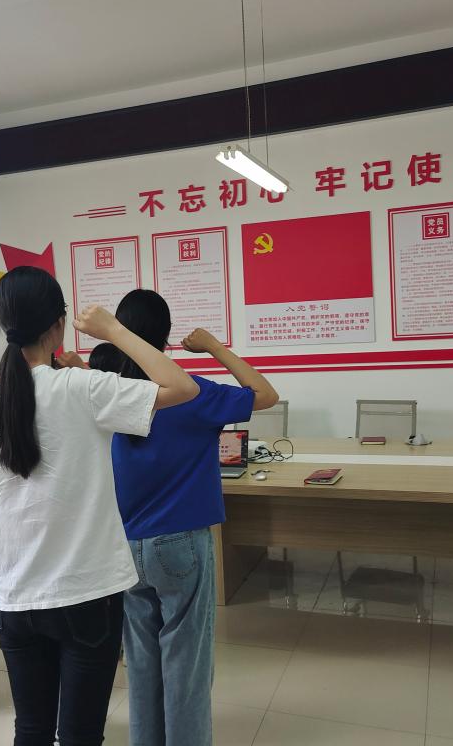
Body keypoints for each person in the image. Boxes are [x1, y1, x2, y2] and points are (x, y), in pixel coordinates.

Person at [0, 266, 199, 746]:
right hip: (86, 593)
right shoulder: (80, 387)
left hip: (14, 595)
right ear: (58, 325)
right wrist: (114, 331)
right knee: (81, 735)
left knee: (30, 729)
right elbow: (184, 387)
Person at [113, 289, 279, 746]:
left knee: (141, 665)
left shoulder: (109, 392)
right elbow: (265, 394)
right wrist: (214, 347)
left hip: (124, 545)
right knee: (186, 665)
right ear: (165, 336)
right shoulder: (193, 392)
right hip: (180, 543)